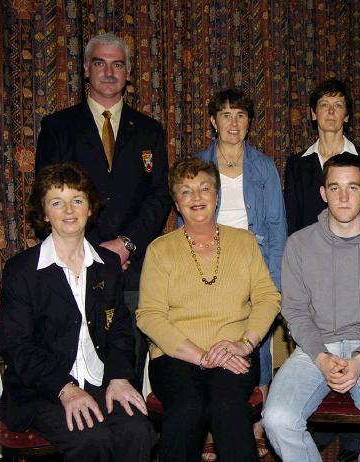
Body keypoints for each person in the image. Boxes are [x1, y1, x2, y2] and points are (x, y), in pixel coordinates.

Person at [35, 32, 171, 386]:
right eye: (100, 63)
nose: (109, 72)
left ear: (128, 73)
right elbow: (48, 196)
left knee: (128, 364)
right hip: (75, 265)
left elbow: (159, 195)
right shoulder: (58, 127)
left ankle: (130, 438)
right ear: (85, 70)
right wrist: (92, 251)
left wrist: (126, 244)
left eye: (117, 64)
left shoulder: (149, 130)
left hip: (133, 269)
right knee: (76, 363)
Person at [0, 163, 155, 462]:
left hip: (100, 381)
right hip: (45, 388)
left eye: (77, 200)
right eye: (57, 202)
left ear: (89, 208)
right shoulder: (22, 271)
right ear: (44, 213)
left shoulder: (107, 264)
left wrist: (120, 377)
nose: (69, 210)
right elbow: (16, 346)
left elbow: (120, 330)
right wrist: (65, 388)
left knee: (138, 430)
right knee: (91, 440)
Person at [263, 153, 360, 462]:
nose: (343, 197)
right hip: (314, 347)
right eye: (334, 188)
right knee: (277, 419)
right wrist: (320, 356)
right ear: (323, 193)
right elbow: (295, 311)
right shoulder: (299, 244)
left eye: (352, 188)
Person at [136, 157, 280, 462]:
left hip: (234, 354)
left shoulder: (244, 242)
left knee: (226, 406)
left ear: (217, 196)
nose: (197, 197)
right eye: (186, 191)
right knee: (187, 408)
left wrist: (244, 344)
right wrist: (201, 356)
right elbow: (149, 315)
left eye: (204, 188)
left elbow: (268, 297)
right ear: (176, 203)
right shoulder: (160, 250)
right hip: (175, 355)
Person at [195, 88, 287, 459]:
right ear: (213, 121)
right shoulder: (198, 165)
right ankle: (211, 425)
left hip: (256, 266)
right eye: (226, 115)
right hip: (208, 264)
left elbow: (278, 230)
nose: (233, 123)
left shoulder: (264, 167)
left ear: (249, 123)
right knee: (209, 337)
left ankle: (257, 421)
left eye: (241, 115)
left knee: (258, 343)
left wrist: (275, 285)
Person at [284, 79, 360, 235]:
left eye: (338, 105)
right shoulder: (296, 165)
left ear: (346, 116)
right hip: (310, 253)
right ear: (313, 113)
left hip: (358, 252)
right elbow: (292, 222)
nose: (331, 111)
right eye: (324, 104)